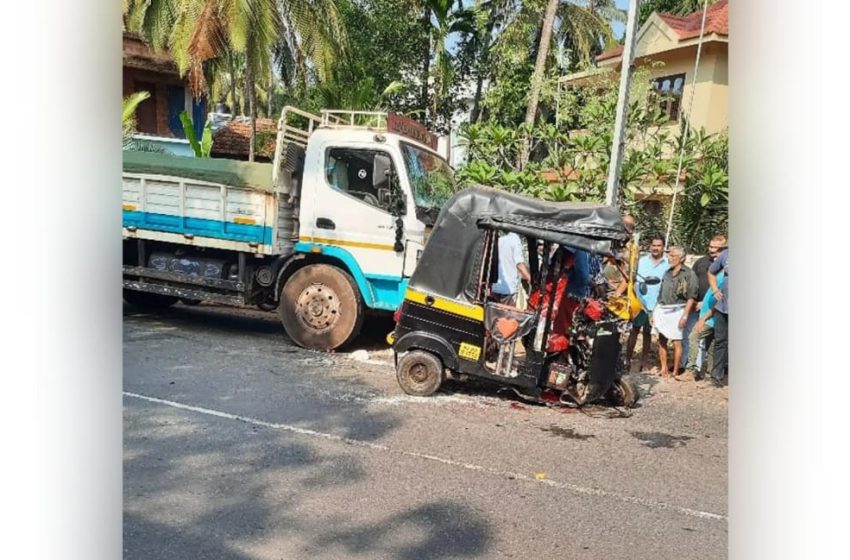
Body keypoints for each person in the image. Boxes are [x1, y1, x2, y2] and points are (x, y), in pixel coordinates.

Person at [680, 234, 727, 370]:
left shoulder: (726, 271)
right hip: (698, 307)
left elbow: (721, 297)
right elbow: (691, 282)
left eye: (716, 248)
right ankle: (694, 368)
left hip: (715, 311)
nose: (712, 250)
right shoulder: (701, 262)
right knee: (695, 338)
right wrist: (693, 301)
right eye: (710, 246)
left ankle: (694, 369)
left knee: (704, 340)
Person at [652, 246, 699, 378]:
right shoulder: (667, 273)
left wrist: (684, 315)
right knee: (661, 339)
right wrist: (655, 311)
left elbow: (691, 297)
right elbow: (660, 293)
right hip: (663, 308)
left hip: (678, 309)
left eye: (673, 256)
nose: (670, 258)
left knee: (676, 341)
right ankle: (664, 368)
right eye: (669, 255)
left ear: (682, 258)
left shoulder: (689, 274)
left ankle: (676, 370)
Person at [626, 234, 669, 372]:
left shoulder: (667, 265)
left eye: (659, 246)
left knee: (647, 333)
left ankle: (644, 362)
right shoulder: (641, 261)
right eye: (654, 245)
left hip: (656, 305)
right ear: (650, 246)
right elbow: (632, 280)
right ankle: (627, 359)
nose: (656, 248)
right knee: (634, 331)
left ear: (663, 247)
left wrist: (659, 304)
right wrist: (636, 298)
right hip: (639, 303)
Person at [680, 271, 725, 381]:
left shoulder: (725, 278)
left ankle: (691, 370)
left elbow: (718, 303)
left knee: (694, 336)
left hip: (710, 319)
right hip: (711, 318)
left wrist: (703, 319)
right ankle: (710, 373)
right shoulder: (721, 274)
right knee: (711, 345)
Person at [707, 247, 729, 387]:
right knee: (720, 341)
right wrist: (715, 289)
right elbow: (711, 272)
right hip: (723, 306)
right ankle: (716, 376)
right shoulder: (726, 254)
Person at [491, 231, 531, 306]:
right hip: (508, 289)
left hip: (495, 286)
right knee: (507, 316)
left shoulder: (500, 240)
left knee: (495, 315)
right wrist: (529, 278)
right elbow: (519, 264)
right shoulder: (516, 241)